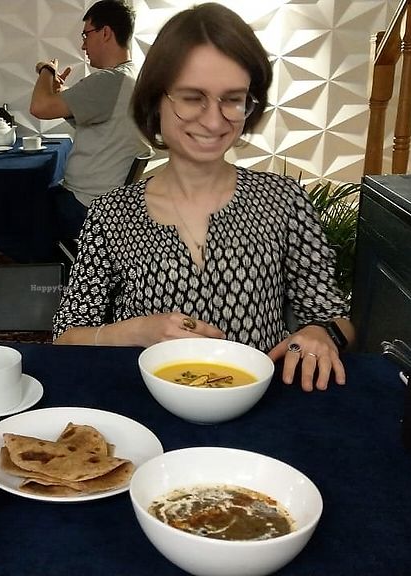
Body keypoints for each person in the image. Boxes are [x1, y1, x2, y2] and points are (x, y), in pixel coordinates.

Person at [51, 3, 355, 392]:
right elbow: (66, 335)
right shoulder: (112, 214)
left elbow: (335, 317)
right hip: (148, 407)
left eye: (233, 99)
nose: (213, 120)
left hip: (261, 407)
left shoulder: (283, 201)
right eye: (192, 98)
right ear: (155, 99)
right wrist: (136, 330)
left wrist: (319, 333)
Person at [0, 0, 148, 262]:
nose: (83, 45)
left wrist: (47, 70)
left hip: (84, 205)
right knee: (26, 200)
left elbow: (39, 107)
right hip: (106, 202)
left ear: (105, 32)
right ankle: (65, 267)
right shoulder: (130, 76)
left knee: (0, 211)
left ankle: (53, 270)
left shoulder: (110, 80)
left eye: (86, 35)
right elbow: (93, 114)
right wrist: (60, 93)